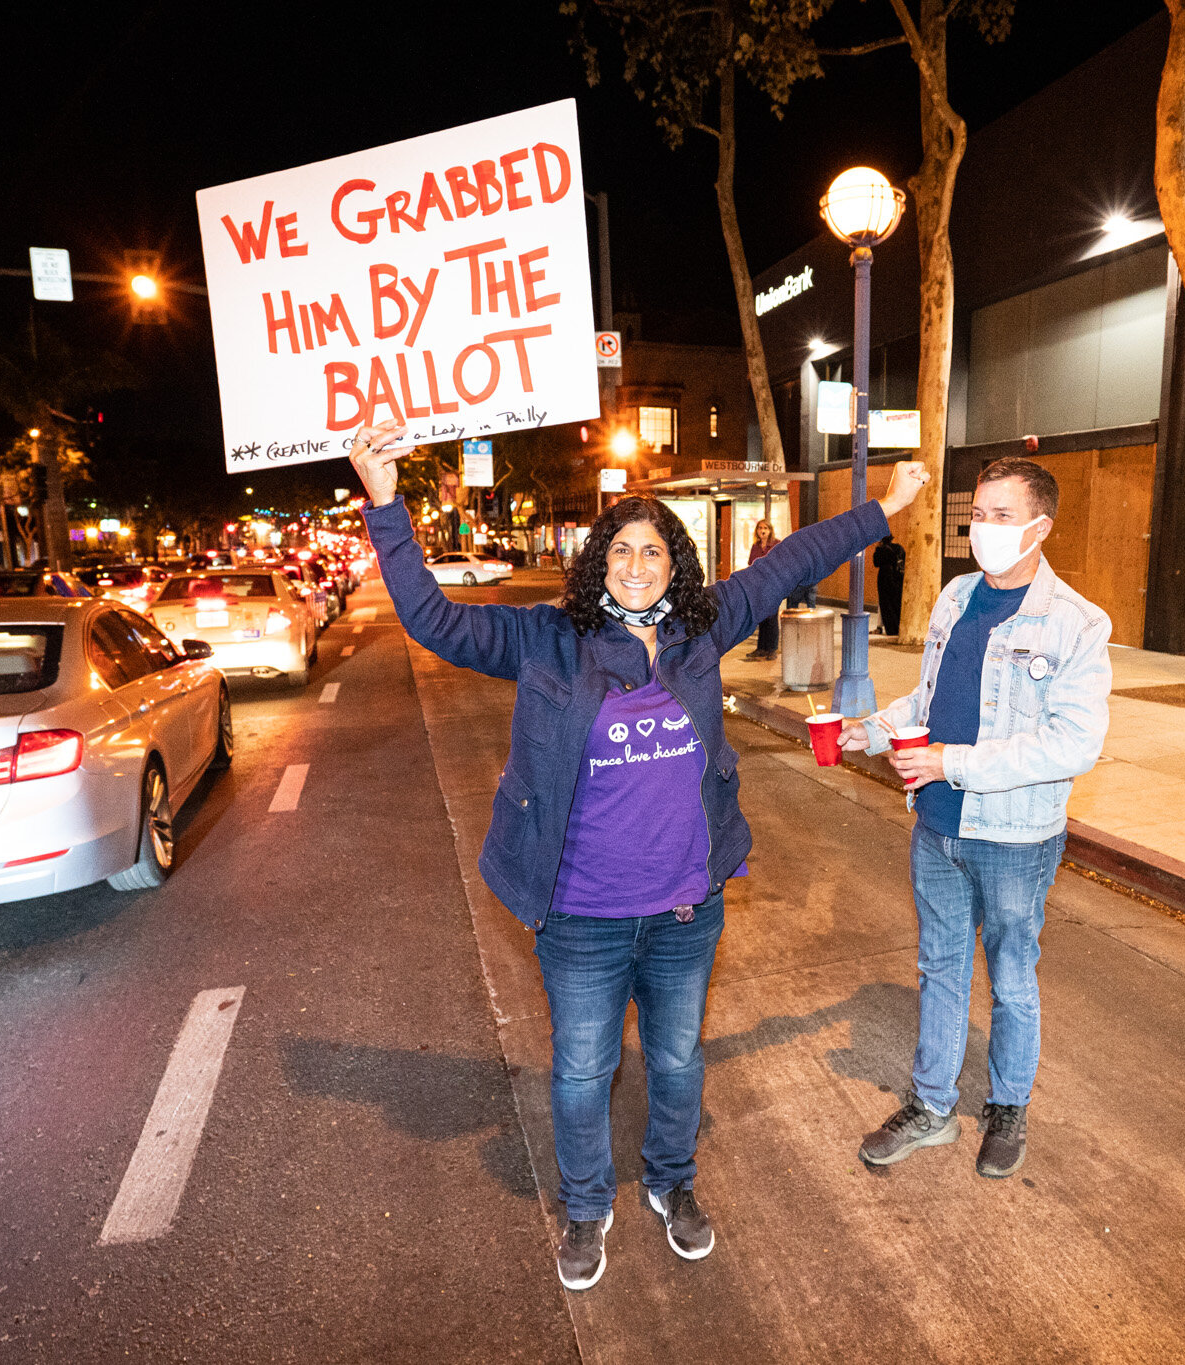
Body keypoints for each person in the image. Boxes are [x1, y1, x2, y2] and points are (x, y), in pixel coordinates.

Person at [348, 419, 929, 1292]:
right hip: (580, 913)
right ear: (598, 561)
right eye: (621, 548)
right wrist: (387, 504)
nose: (636, 563)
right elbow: (432, 620)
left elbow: (790, 563)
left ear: (675, 565)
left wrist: (881, 509)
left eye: (653, 551)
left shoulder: (702, 630)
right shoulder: (546, 638)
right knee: (583, 1068)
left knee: (677, 1061)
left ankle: (672, 1183)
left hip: (685, 910)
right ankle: (586, 1208)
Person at [841, 457, 1110, 1179]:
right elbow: (927, 705)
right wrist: (866, 730)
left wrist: (951, 763)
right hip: (937, 825)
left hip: (1015, 837)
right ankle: (932, 1107)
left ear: (1040, 527)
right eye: (977, 514)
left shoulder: (1077, 625)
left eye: (1000, 515)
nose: (982, 528)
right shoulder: (957, 597)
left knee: (1013, 976)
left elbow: (1073, 743)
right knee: (941, 968)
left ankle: (1007, 1105)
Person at [743, 519, 780, 660]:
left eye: (765, 528)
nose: (762, 530)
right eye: (760, 528)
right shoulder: (756, 546)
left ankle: (772, 649)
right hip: (758, 585)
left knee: (771, 618)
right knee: (761, 617)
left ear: (770, 530)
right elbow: (751, 564)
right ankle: (761, 648)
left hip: (773, 585)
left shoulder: (776, 544)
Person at [873, 534, 905, 636]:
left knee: (885, 604)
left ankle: (891, 629)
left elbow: (876, 563)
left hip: (885, 578)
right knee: (896, 603)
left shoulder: (881, 550)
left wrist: (877, 549)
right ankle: (897, 627)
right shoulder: (899, 548)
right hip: (899, 577)